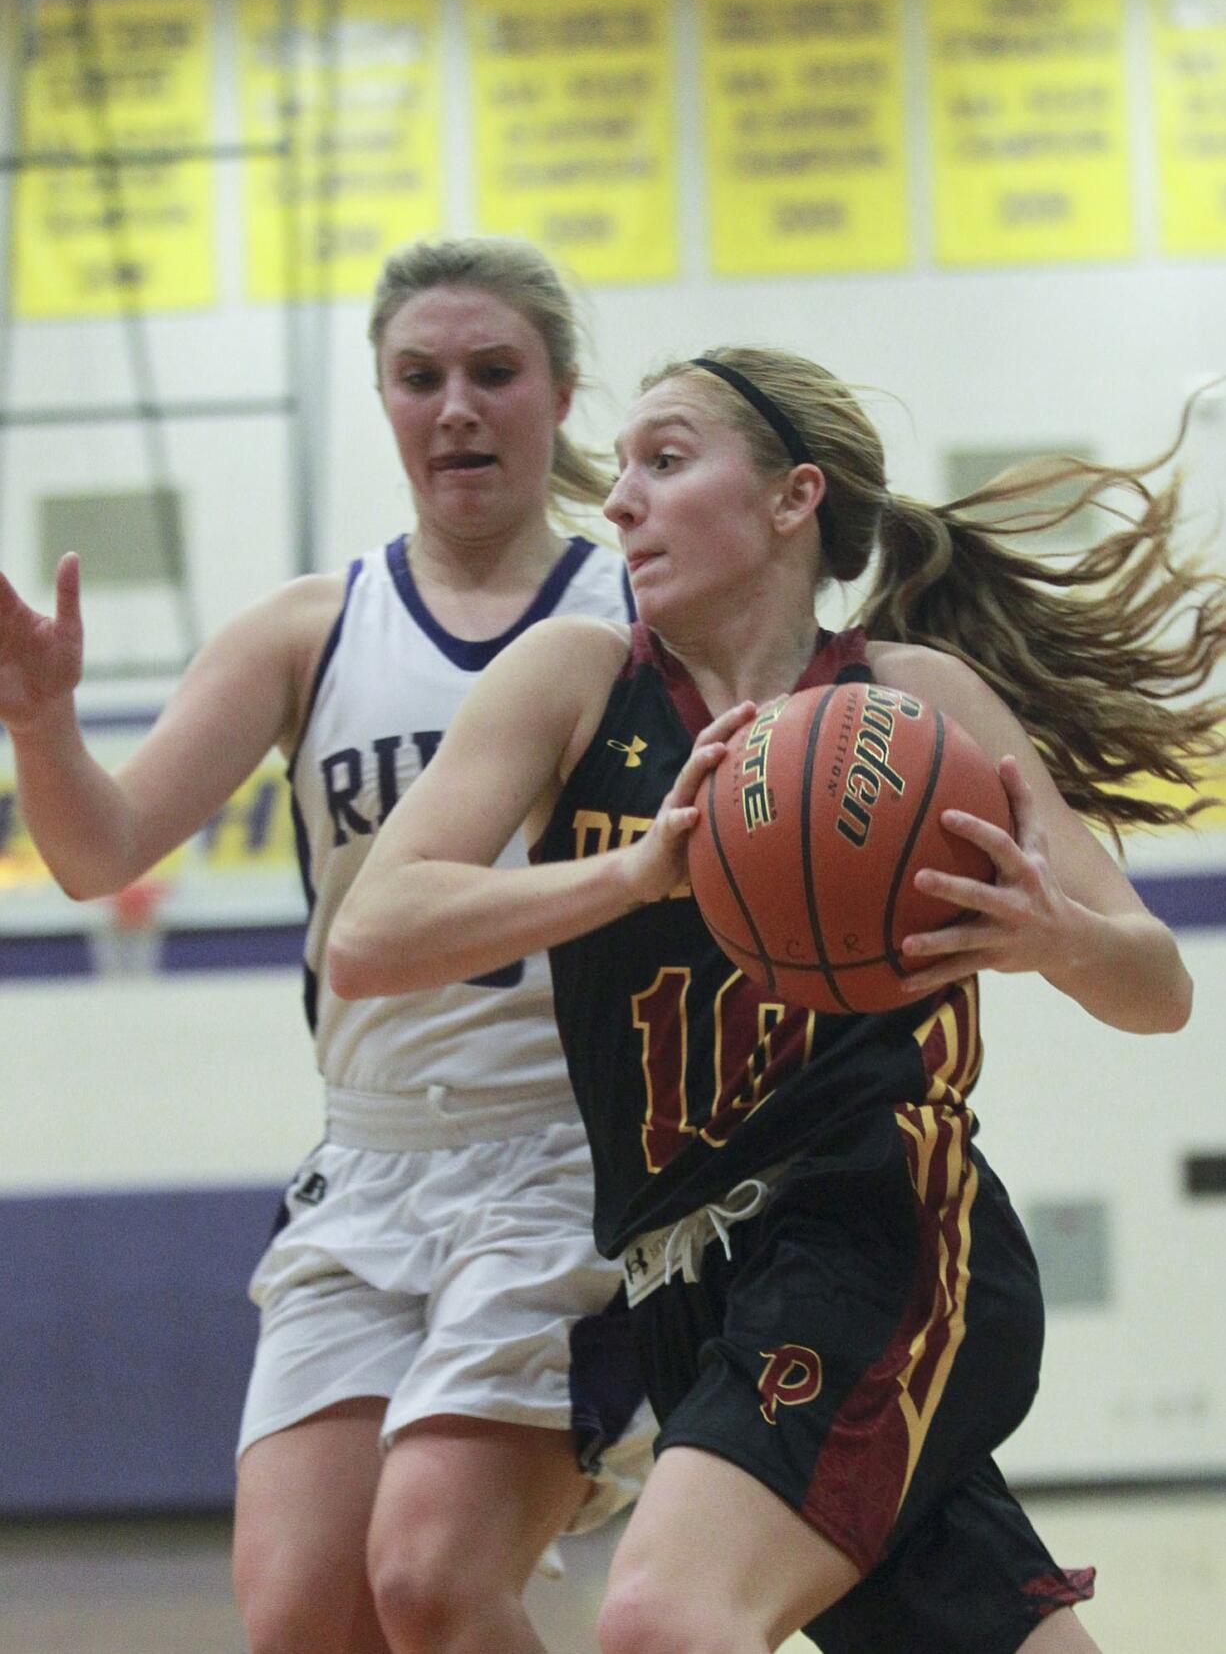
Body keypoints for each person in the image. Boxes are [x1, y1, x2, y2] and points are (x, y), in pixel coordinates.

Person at [327, 345, 1226, 1654]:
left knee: (662, 1618)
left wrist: (1050, 933)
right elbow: (373, 932)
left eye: (666, 461)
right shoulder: (573, 684)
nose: (618, 500)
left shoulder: (914, 703)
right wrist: (634, 873)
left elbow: (1155, 986)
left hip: (880, 1230)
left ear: (792, 497)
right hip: (681, 1281)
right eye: (619, 469)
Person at [0, 236, 655, 1654]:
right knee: (302, 1609)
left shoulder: (640, 619)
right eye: (419, 377)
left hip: (567, 1154)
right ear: (382, 398)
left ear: (558, 393)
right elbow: (96, 851)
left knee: (426, 1578)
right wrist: (45, 726)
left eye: (493, 372)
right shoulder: (313, 625)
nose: (457, 407)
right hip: (367, 1158)